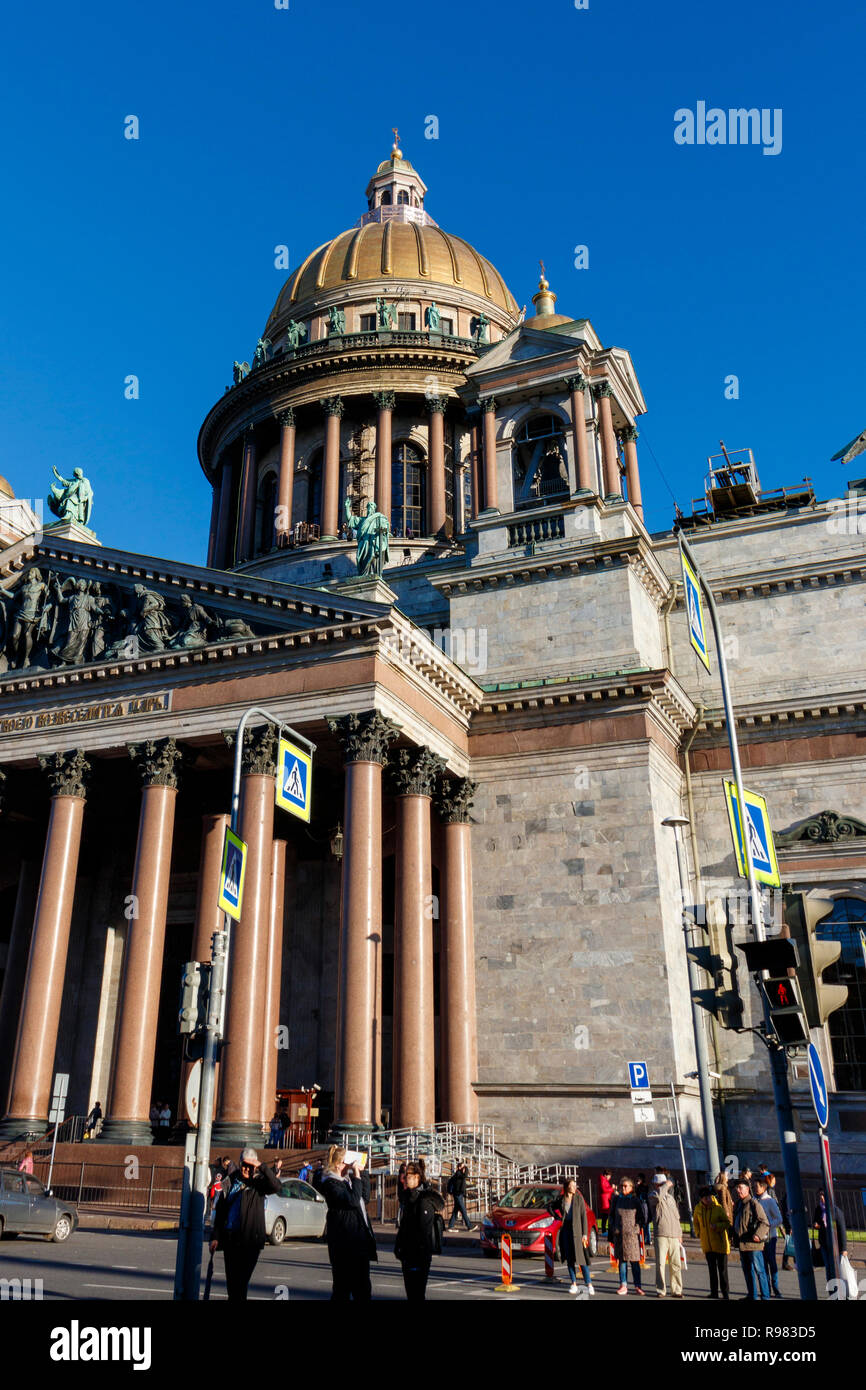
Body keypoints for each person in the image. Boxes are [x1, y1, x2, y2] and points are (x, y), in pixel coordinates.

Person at [210, 1148, 282, 1300]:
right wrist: (215, 1236)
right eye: (243, 1164)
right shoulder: (230, 1181)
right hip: (230, 1239)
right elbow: (221, 1211)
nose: (245, 1168)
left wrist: (261, 1166)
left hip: (249, 1241)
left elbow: (276, 1186)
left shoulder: (258, 1183)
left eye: (250, 1165)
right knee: (232, 1286)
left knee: (241, 1284)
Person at [314, 1146, 378, 1301]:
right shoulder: (331, 1183)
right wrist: (356, 1175)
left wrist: (362, 1173)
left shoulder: (347, 1181)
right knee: (342, 1290)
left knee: (363, 1289)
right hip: (344, 1244)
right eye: (346, 1162)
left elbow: (364, 1197)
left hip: (358, 1241)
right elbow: (353, 1200)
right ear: (338, 1164)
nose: (349, 1165)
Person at [394, 1158, 445, 1301]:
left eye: (407, 1177)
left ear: (417, 1178)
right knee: (412, 1294)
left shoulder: (423, 1201)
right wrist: (399, 1246)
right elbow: (404, 1226)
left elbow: (421, 1232)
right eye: (404, 1177)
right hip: (408, 1253)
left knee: (416, 1293)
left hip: (418, 1255)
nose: (404, 1180)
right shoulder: (410, 1198)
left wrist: (408, 1250)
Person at [732, 1179, 770, 1300]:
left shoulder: (753, 1203)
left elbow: (765, 1222)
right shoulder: (739, 1204)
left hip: (753, 1244)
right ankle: (752, 1295)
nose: (738, 1190)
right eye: (737, 1188)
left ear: (747, 1189)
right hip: (742, 1244)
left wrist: (758, 1235)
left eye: (740, 1188)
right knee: (747, 1271)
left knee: (760, 1271)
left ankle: (765, 1296)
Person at [556, 1178, 594, 1295]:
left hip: (577, 1232)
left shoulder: (578, 1198)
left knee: (582, 1259)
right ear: (567, 1187)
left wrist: (584, 1234)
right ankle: (573, 1283)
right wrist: (557, 1218)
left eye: (575, 1185)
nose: (574, 1187)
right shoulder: (562, 1200)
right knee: (570, 1259)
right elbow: (551, 1207)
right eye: (572, 1185)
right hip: (566, 1231)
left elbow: (584, 1217)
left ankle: (589, 1284)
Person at [693, 1185, 732, 1299]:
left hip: (720, 1245)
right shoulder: (698, 1209)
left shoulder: (718, 1208)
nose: (708, 1199)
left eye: (709, 1197)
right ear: (701, 1199)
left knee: (723, 1271)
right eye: (705, 1198)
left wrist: (717, 1226)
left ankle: (725, 1293)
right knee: (712, 1270)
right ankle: (714, 1292)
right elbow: (695, 1222)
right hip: (707, 1244)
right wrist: (698, 1233)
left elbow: (726, 1223)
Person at [609, 1176, 646, 1295]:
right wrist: (614, 1228)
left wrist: (636, 1229)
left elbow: (641, 1218)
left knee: (635, 1262)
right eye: (621, 1186)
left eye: (625, 1186)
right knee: (622, 1262)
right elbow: (611, 1216)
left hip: (632, 1236)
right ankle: (623, 1285)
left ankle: (637, 1286)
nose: (622, 1188)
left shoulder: (635, 1200)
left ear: (631, 1187)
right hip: (619, 1235)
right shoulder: (616, 1199)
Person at [649, 1174, 683, 1298]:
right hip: (661, 1234)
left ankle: (677, 1290)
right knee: (661, 1264)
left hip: (674, 1234)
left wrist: (679, 1233)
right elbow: (658, 1196)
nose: (665, 1185)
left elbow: (676, 1216)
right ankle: (661, 1289)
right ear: (657, 1185)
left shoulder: (671, 1198)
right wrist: (665, 1186)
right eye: (662, 1183)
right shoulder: (653, 1195)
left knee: (676, 1264)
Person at [754, 1175, 783, 1298]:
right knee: (762, 1264)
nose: (755, 1188)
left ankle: (776, 1288)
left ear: (763, 1187)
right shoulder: (754, 1200)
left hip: (770, 1237)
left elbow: (779, 1219)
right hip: (759, 1238)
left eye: (757, 1186)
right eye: (754, 1186)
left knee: (771, 1263)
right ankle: (766, 1290)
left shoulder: (769, 1200)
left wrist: (768, 1225)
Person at [813, 1191, 848, 1289]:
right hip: (824, 1243)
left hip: (835, 1245)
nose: (822, 1198)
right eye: (820, 1196)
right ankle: (832, 1290)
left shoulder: (836, 1211)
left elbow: (842, 1230)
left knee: (836, 1269)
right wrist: (816, 1225)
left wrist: (844, 1248)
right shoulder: (818, 1209)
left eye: (823, 1196)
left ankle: (839, 1289)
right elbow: (816, 1222)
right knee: (828, 1268)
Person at [446, 1160, 474, 1230]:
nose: (464, 1168)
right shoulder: (458, 1174)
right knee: (463, 1211)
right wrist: (466, 1168)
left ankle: (451, 1225)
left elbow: (465, 1175)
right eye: (463, 1166)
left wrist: (464, 1167)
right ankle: (469, 1226)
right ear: (459, 1167)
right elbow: (465, 1175)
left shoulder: (458, 1174)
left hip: (459, 1194)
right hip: (458, 1194)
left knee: (455, 1210)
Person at [636, 1173, 651, 1247]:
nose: (637, 1180)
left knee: (645, 1224)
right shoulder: (639, 1186)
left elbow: (640, 1196)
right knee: (646, 1224)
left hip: (644, 1206)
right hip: (643, 1206)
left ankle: (646, 1239)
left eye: (639, 1178)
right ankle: (647, 1239)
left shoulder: (643, 1187)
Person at [598, 1170, 614, 1234]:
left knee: (605, 1217)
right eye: (609, 1176)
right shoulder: (603, 1180)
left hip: (606, 1200)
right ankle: (604, 1231)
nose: (609, 1178)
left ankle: (604, 1230)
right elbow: (604, 1189)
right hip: (605, 1201)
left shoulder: (604, 1180)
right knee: (605, 1217)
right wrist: (612, 1188)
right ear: (605, 1175)